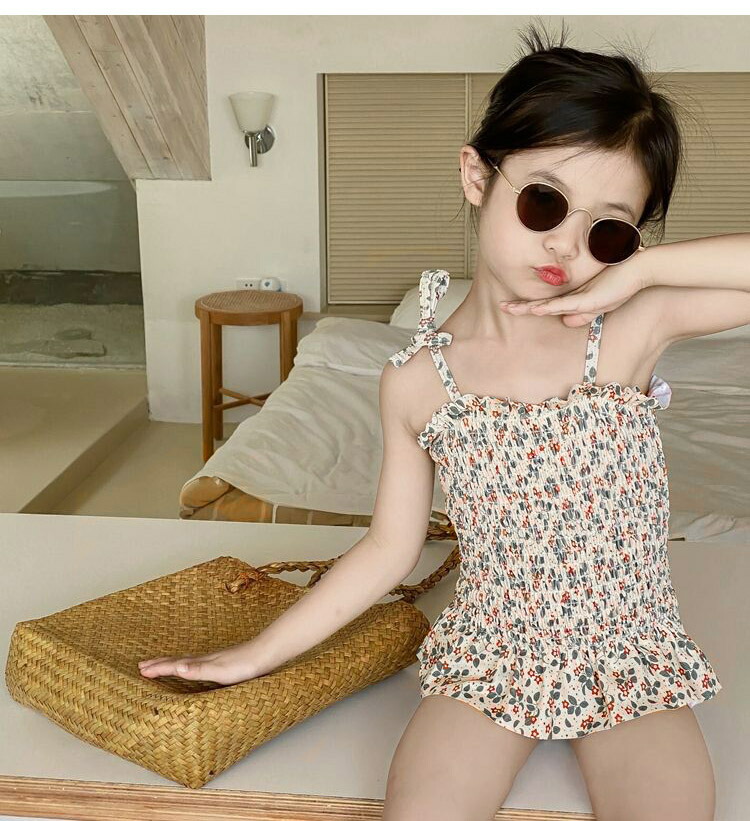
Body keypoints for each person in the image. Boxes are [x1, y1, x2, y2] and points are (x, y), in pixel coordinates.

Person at [138, 20, 748, 820]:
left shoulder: (632, 330)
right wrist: (256, 654)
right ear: (476, 175)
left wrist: (641, 271)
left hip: (628, 648)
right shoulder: (418, 381)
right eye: (543, 201)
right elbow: (388, 549)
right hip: (493, 650)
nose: (565, 247)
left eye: (606, 230)